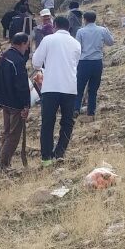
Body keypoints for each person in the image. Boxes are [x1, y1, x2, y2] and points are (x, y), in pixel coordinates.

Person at [32, 14, 81, 166]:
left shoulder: (48, 39)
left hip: (51, 87)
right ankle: (59, 153)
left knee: (48, 122)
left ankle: (46, 157)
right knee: (67, 122)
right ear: (68, 27)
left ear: (54, 26)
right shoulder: (76, 43)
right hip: (70, 87)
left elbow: (36, 62)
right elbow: (75, 63)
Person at [0, 33, 32, 170]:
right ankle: (3, 163)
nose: (27, 48)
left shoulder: (4, 56)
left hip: (5, 101)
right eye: (27, 44)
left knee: (7, 132)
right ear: (22, 43)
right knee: (14, 135)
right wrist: (26, 105)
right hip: (16, 103)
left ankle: (1, 160)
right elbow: (22, 85)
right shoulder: (17, 60)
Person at [75, 10, 114, 120]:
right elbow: (111, 42)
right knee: (93, 90)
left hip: (84, 62)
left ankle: (76, 109)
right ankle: (91, 112)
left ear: (85, 20)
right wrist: (107, 30)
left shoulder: (80, 31)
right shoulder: (102, 30)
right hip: (97, 62)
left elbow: (77, 48)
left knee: (79, 88)